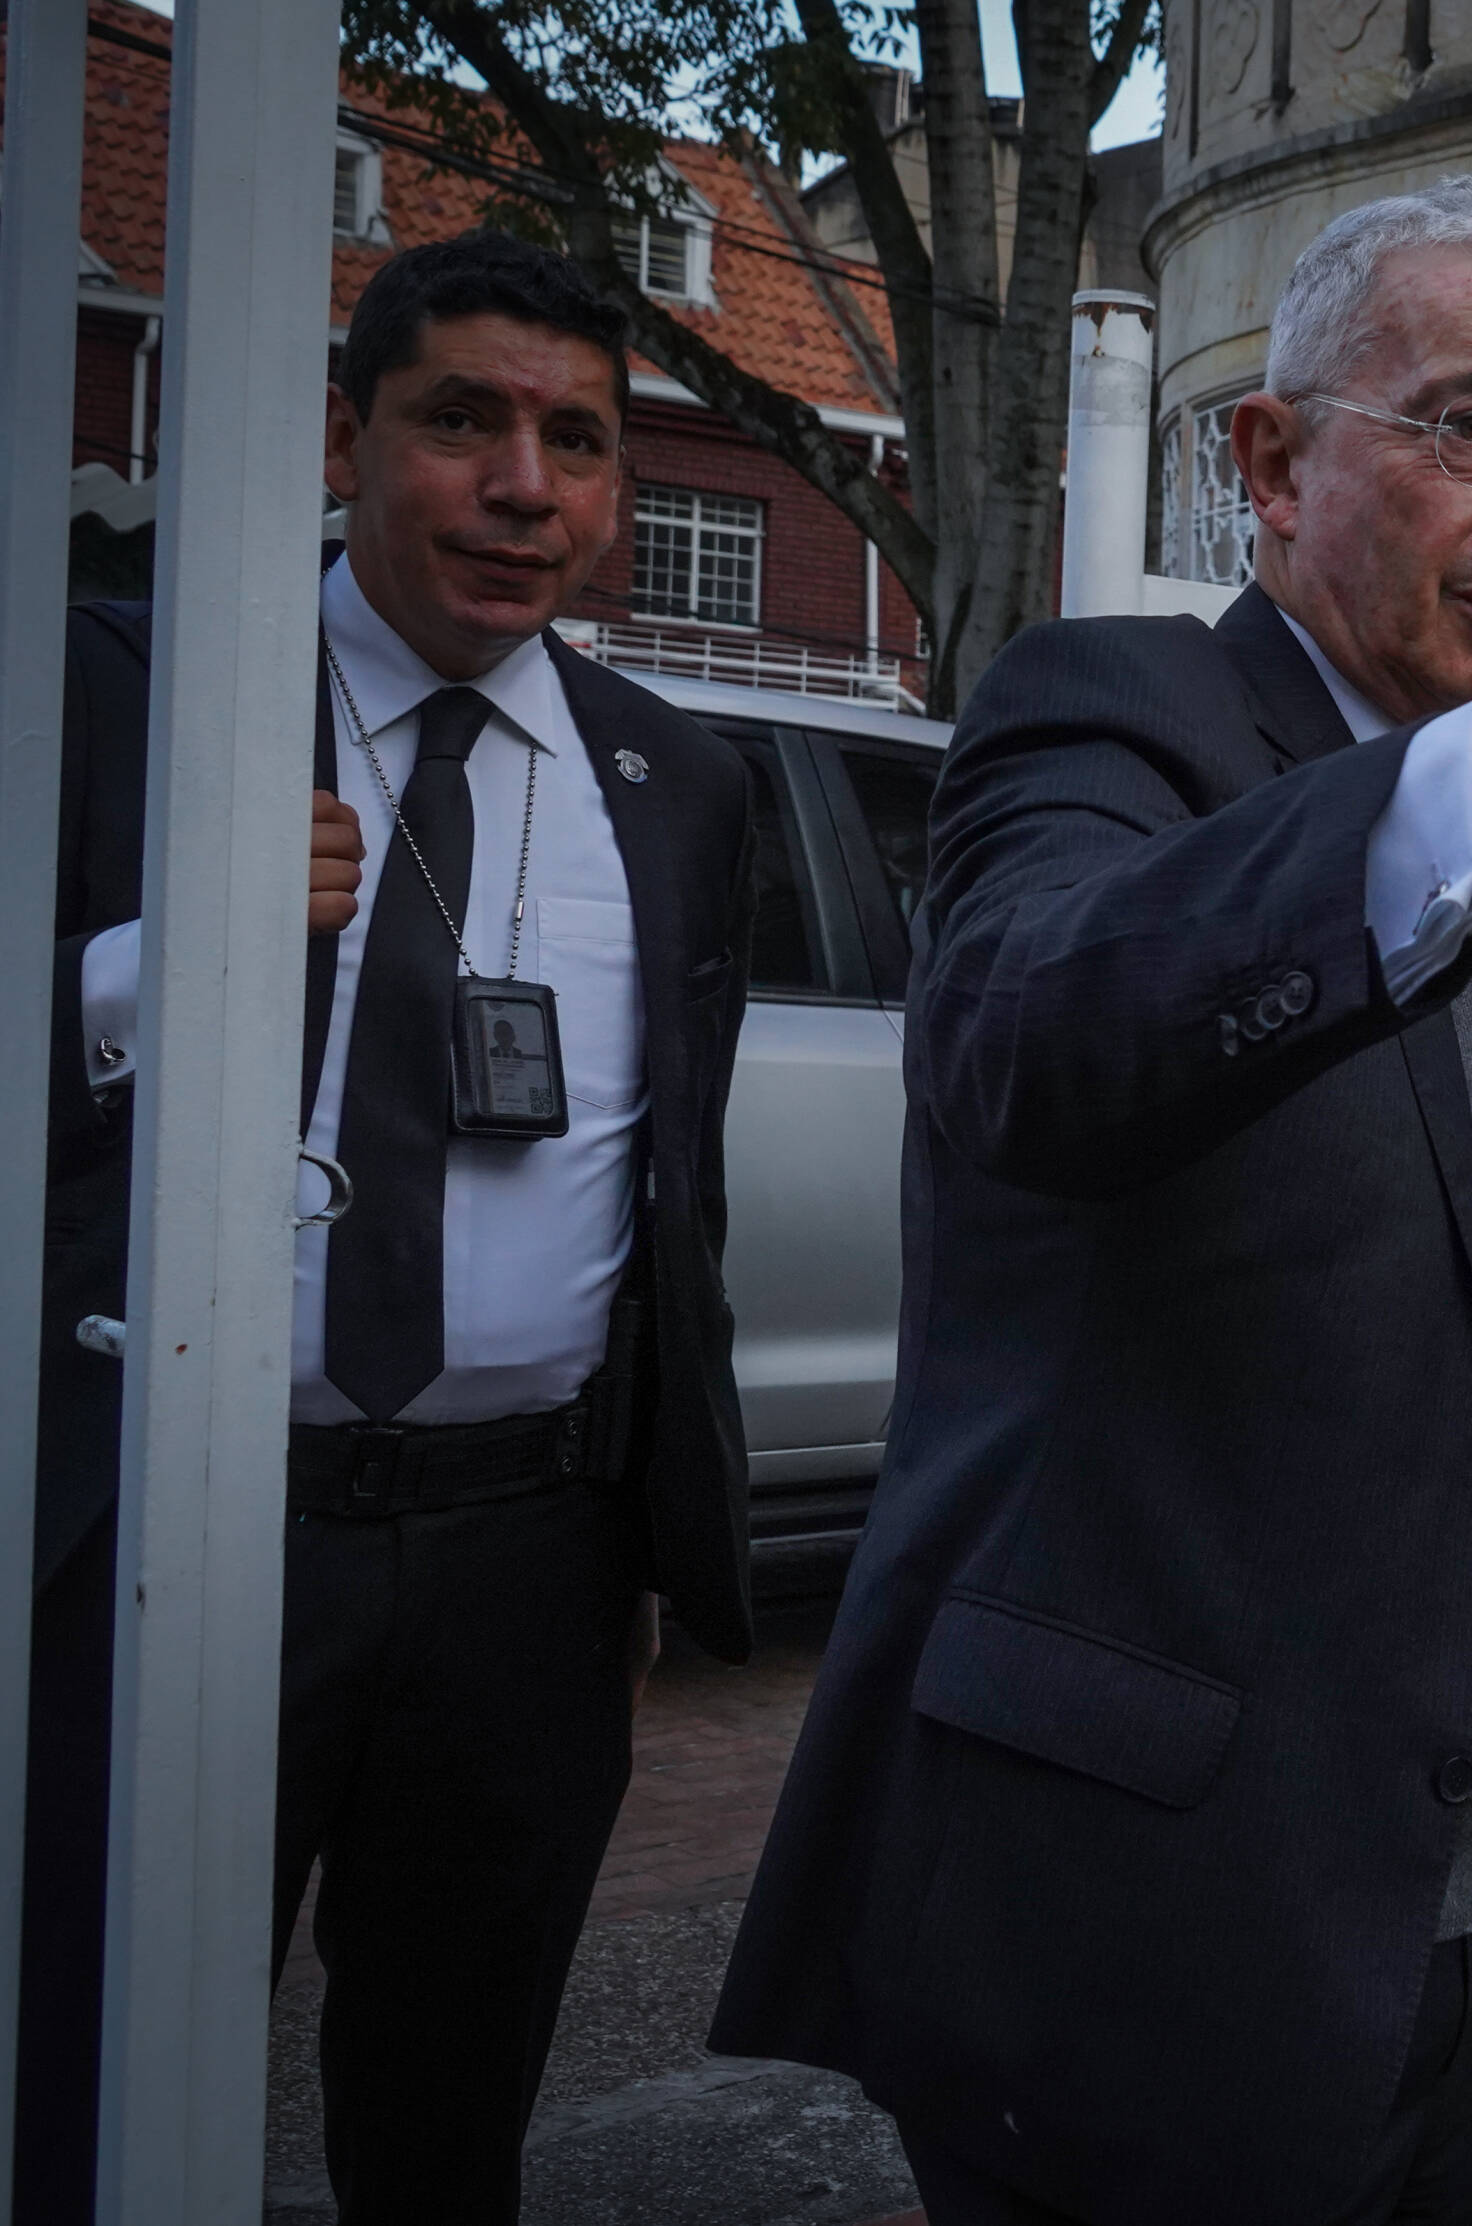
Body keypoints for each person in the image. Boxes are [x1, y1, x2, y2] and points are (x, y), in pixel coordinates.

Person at [710, 175, 1472, 2223]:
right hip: (1141, 1934)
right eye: (1466, 425)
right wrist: (1442, 795)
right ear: (1268, 459)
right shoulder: (1103, 722)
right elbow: (1026, 1047)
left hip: (1441, 1916)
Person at [25, 232, 756, 2223]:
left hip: (530, 1572)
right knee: (96, 2096)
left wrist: (646, 1543)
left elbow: (668, 1188)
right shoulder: (118, 692)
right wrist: (163, 962)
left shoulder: (680, 785)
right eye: (462, 422)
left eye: (579, 442)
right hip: (181, 1534)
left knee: (449, 2126)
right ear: (347, 438)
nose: (526, 488)